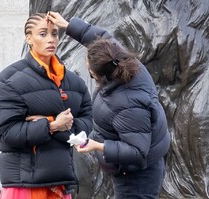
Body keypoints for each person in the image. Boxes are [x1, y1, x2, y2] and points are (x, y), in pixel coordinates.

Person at [47, 12, 171, 199]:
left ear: (97, 74)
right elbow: (103, 38)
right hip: (129, 169)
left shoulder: (128, 104)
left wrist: (97, 145)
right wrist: (68, 25)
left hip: (137, 179)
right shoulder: (124, 63)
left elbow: (137, 152)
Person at [0, 12, 93, 199]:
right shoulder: (10, 80)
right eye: (43, 34)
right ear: (29, 38)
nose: (51, 39)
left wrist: (56, 125)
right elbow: (5, 131)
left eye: (54, 34)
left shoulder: (74, 83)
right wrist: (52, 125)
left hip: (61, 184)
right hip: (24, 185)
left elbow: (85, 126)